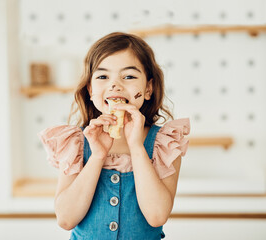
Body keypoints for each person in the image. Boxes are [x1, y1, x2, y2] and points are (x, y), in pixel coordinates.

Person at [38, 32, 190, 240]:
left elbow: (157, 216)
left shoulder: (164, 143)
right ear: (91, 90)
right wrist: (97, 156)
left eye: (128, 76)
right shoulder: (76, 143)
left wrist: (137, 147)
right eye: (103, 76)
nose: (115, 85)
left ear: (148, 88)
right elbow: (66, 219)